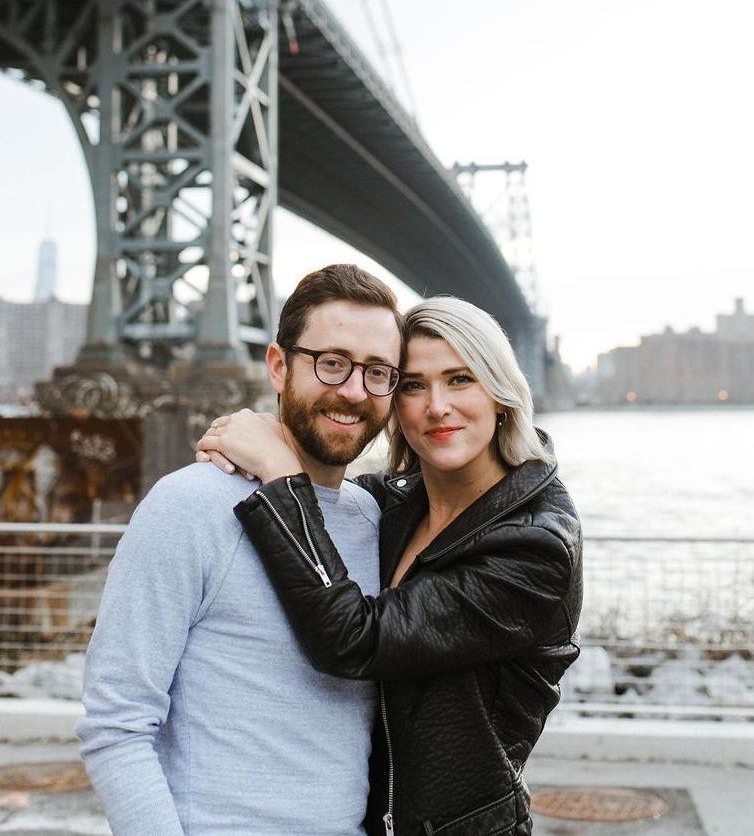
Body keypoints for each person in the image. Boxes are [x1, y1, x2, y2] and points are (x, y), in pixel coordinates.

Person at [196, 296, 583, 836]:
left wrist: (280, 476)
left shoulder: (534, 546)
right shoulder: (390, 504)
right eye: (413, 385)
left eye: (460, 379)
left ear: (501, 394)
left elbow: (357, 639)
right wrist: (254, 441)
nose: (437, 406)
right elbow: (320, 506)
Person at [76, 264, 404, 835]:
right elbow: (117, 722)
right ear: (278, 366)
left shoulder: (376, 519)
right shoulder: (191, 505)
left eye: (378, 372)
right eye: (332, 362)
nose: (353, 390)